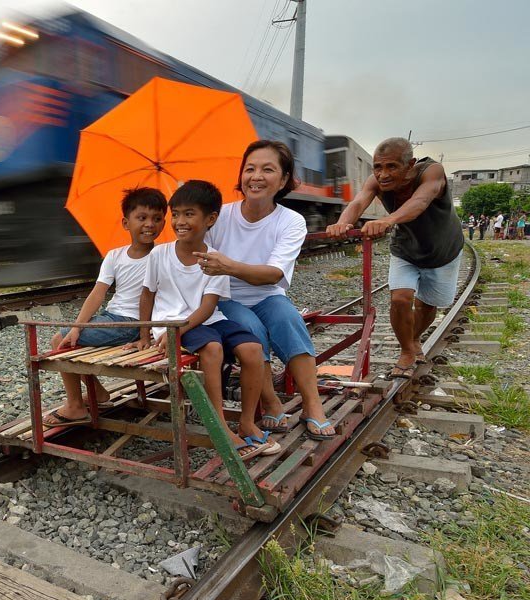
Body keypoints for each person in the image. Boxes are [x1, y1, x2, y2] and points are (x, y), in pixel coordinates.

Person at [198, 140, 336, 439]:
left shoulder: (290, 221)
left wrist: (229, 265)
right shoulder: (218, 217)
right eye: (250, 169)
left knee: (289, 321)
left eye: (267, 169)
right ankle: (270, 401)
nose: (256, 176)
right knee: (250, 329)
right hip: (226, 298)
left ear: (284, 179)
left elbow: (273, 275)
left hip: (267, 294)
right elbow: (195, 255)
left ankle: (313, 405)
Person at [137, 180, 278, 457]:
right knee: (212, 349)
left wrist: (181, 331)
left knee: (253, 349)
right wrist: (145, 334)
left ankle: (247, 423)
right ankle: (219, 425)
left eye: (189, 214)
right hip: (171, 323)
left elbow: (208, 305)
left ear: (210, 219)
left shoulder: (216, 260)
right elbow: (147, 296)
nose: (179, 221)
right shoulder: (159, 254)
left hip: (206, 319)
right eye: (175, 214)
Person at [327, 137, 464, 379]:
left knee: (426, 304)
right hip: (406, 249)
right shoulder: (377, 181)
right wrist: (341, 223)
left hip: (443, 250)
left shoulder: (431, 172)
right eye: (378, 167)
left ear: (410, 164)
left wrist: (387, 220)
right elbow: (358, 201)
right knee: (400, 298)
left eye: (391, 166)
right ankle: (407, 351)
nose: (383, 174)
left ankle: (413, 339)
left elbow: (420, 201)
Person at [45, 187, 167, 427]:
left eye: (157, 219)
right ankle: (98, 394)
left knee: (58, 341)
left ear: (164, 222)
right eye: (141, 218)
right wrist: (77, 327)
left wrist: (149, 332)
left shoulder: (162, 256)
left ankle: (75, 406)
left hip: (131, 323)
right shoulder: (115, 256)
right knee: (66, 337)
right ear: (126, 222)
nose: (149, 224)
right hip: (111, 317)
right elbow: (97, 293)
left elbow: (160, 298)